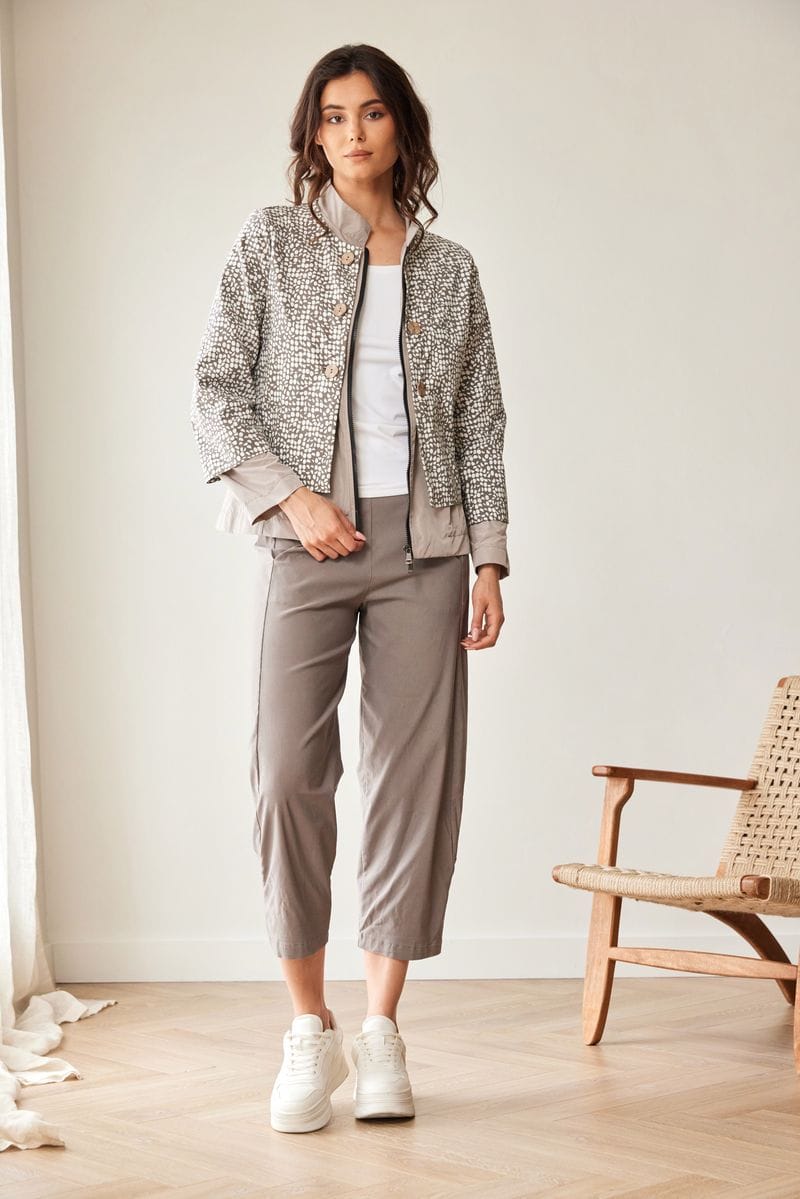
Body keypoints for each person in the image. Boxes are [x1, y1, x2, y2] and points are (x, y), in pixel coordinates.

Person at [190, 43, 510, 1134]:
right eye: (332, 117)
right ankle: (307, 1026)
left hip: (427, 548)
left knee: (411, 783)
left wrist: (489, 557)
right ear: (312, 135)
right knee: (288, 772)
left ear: (400, 128)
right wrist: (294, 501)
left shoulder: (451, 269)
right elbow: (216, 387)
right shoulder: (271, 241)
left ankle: (379, 1030)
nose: (352, 133)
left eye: (370, 113)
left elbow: (478, 423)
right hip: (309, 543)